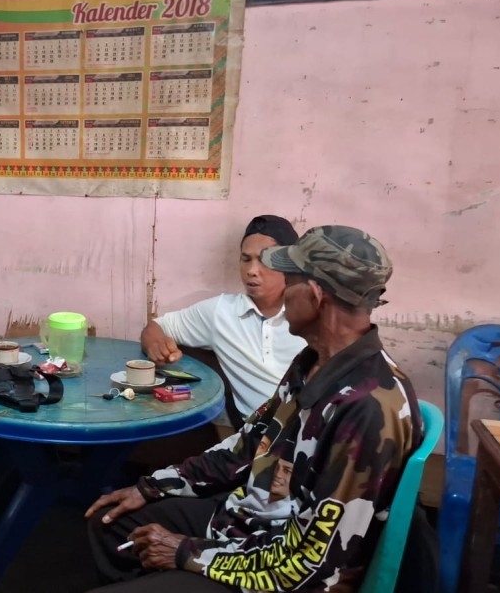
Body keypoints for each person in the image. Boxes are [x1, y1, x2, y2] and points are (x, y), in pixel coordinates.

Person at [86, 225, 422, 593]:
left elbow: (310, 566)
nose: (280, 294)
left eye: (288, 280)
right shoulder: (311, 362)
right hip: (250, 521)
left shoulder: (367, 408)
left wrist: (187, 554)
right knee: (112, 520)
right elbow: (249, 446)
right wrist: (152, 486)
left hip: (279, 572)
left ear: (313, 294)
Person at [140, 215, 306, 429]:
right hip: (257, 436)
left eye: (264, 260)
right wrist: (156, 345)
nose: (252, 270)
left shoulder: (309, 315)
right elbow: (155, 328)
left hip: (310, 432)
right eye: (246, 259)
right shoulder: (221, 312)